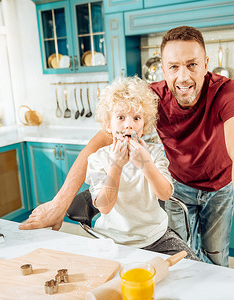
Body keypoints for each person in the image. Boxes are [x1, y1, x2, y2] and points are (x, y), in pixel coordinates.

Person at [19, 26, 234, 280]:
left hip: (219, 189)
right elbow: (97, 144)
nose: (184, 76)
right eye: (174, 67)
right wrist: (59, 204)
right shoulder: (152, 97)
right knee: (178, 266)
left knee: (215, 257)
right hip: (177, 186)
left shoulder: (226, 90)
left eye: (192, 65)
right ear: (163, 69)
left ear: (206, 64)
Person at [83, 76, 198, 259]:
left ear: (144, 125)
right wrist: (116, 167)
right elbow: (104, 207)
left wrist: (146, 165)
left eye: (136, 118)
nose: (129, 124)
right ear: (108, 124)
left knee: (194, 267)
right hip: (113, 239)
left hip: (156, 237)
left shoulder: (154, 153)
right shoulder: (98, 159)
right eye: (120, 117)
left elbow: (165, 194)